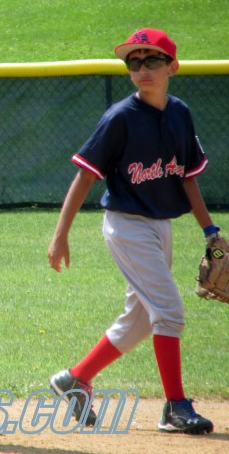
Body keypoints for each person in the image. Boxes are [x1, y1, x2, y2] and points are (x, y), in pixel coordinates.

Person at [47, 28, 216, 435]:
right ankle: (175, 407)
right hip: (126, 225)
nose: (142, 69)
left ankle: (75, 379)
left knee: (140, 321)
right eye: (134, 62)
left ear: (172, 67)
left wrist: (210, 231)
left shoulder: (180, 113)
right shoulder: (120, 118)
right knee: (169, 312)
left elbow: (188, 178)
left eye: (152, 60)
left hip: (161, 226)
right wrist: (60, 235)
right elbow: (85, 176)